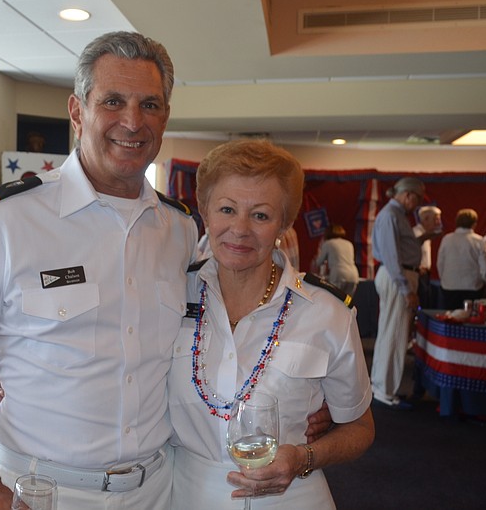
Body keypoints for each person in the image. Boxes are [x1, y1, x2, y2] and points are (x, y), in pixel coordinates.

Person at [0, 31, 332, 510]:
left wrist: (301, 399)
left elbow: (221, 329)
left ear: (164, 118)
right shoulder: (10, 219)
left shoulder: (180, 229)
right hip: (42, 490)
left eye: (149, 105)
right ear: (77, 112)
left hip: (157, 488)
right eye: (113, 101)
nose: (132, 121)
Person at [168, 139, 374, 508]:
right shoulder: (169, 296)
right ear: (205, 213)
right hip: (185, 495)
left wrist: (304, 457)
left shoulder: (327, 313)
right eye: (227, 209)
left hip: (290, 498)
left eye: (260, 215)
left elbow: (359, 428)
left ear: (285, 223)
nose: (240, 229)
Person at [370, 177, 427, 411]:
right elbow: (392, 256)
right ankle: (385, 390)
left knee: (390, 332)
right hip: (397, 277)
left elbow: (399, 250)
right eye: (417, 199)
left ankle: (380, 386)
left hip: (398, 275)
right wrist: (406, 289)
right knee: (395, 334)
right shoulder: (391, 215)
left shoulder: (394, 214)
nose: (417, 205)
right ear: (408, 195)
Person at [437, 209, 486, 310]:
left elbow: (440, 263)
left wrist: (445, 278)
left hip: (449, 286)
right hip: (472, 286)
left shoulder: (446, 239)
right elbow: (484, 266)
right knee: (471, 316)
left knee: (451, 315)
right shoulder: (479, 240)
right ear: (474, 224)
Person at [313, 223, 359, 297]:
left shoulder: (328, 243)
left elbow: (319, 262)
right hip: (353, 276)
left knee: (335, 299)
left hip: (338, 275)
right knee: (348, 301)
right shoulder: (349, 243)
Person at [412, 205, 442, 309]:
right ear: (425, 219)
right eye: (436, 219)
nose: (439, 223)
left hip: (425, 275)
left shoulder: (426, 234)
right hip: (418, 275)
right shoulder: (416, 234)